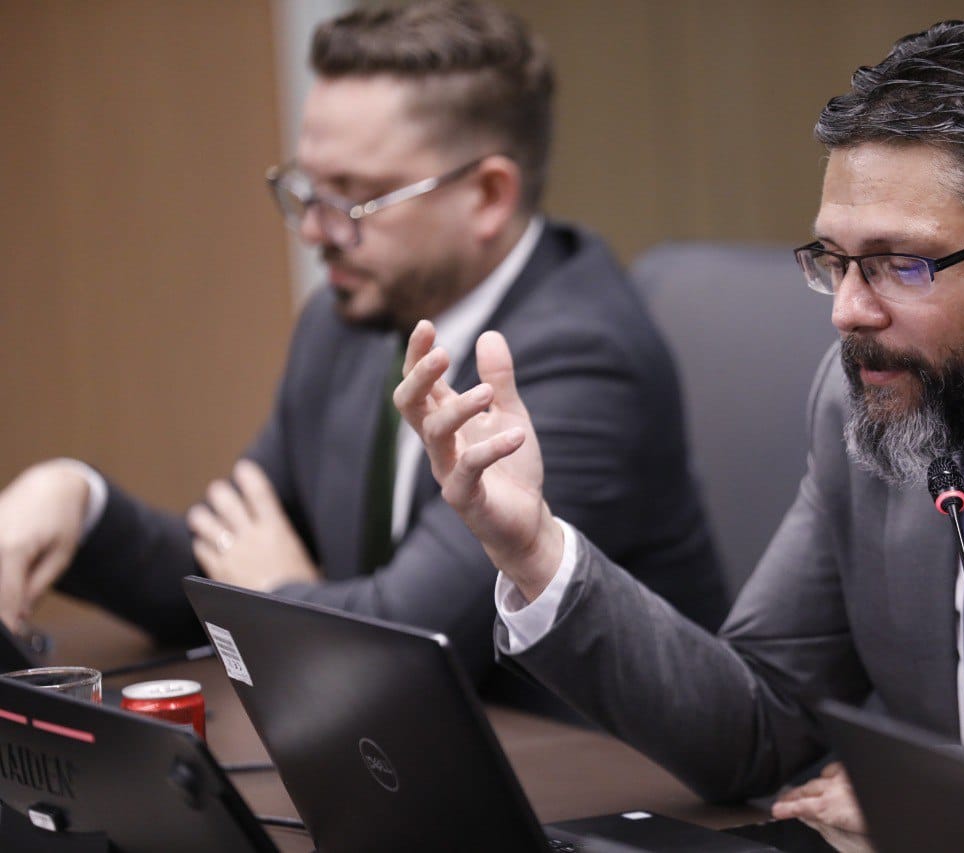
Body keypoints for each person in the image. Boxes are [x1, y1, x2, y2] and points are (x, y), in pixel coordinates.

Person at [396, 20, 964, 852]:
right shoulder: (884, 389)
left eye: (903, 264)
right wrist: (534, 550)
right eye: (836, 261)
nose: (849, 313)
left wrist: (920, 803)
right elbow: (758, 726)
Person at [0, 0, 725, 685]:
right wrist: (76, 502)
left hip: (583, 766)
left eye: (352, 197)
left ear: (488, 196)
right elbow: (228, 561)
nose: (315, 231)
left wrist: (277, 592)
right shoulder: (348, 319)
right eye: (308, 189)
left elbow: (413, 643)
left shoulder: (583, 360)